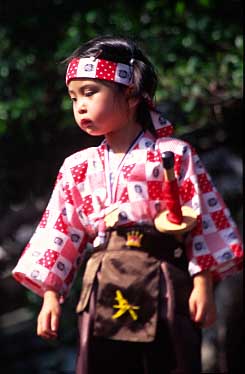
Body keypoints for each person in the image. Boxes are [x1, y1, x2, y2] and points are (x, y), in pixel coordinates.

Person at [12, 35, 243, 374]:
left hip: (165, 279)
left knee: (171, 362)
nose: (80, 106)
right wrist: (50, 295)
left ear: (132, 94)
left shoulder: (174, 155)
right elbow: (59, 230)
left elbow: (203, 219)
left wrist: (203, 283)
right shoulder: (77, 167)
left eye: (91, 93)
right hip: (102, 284)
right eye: (74, 97)